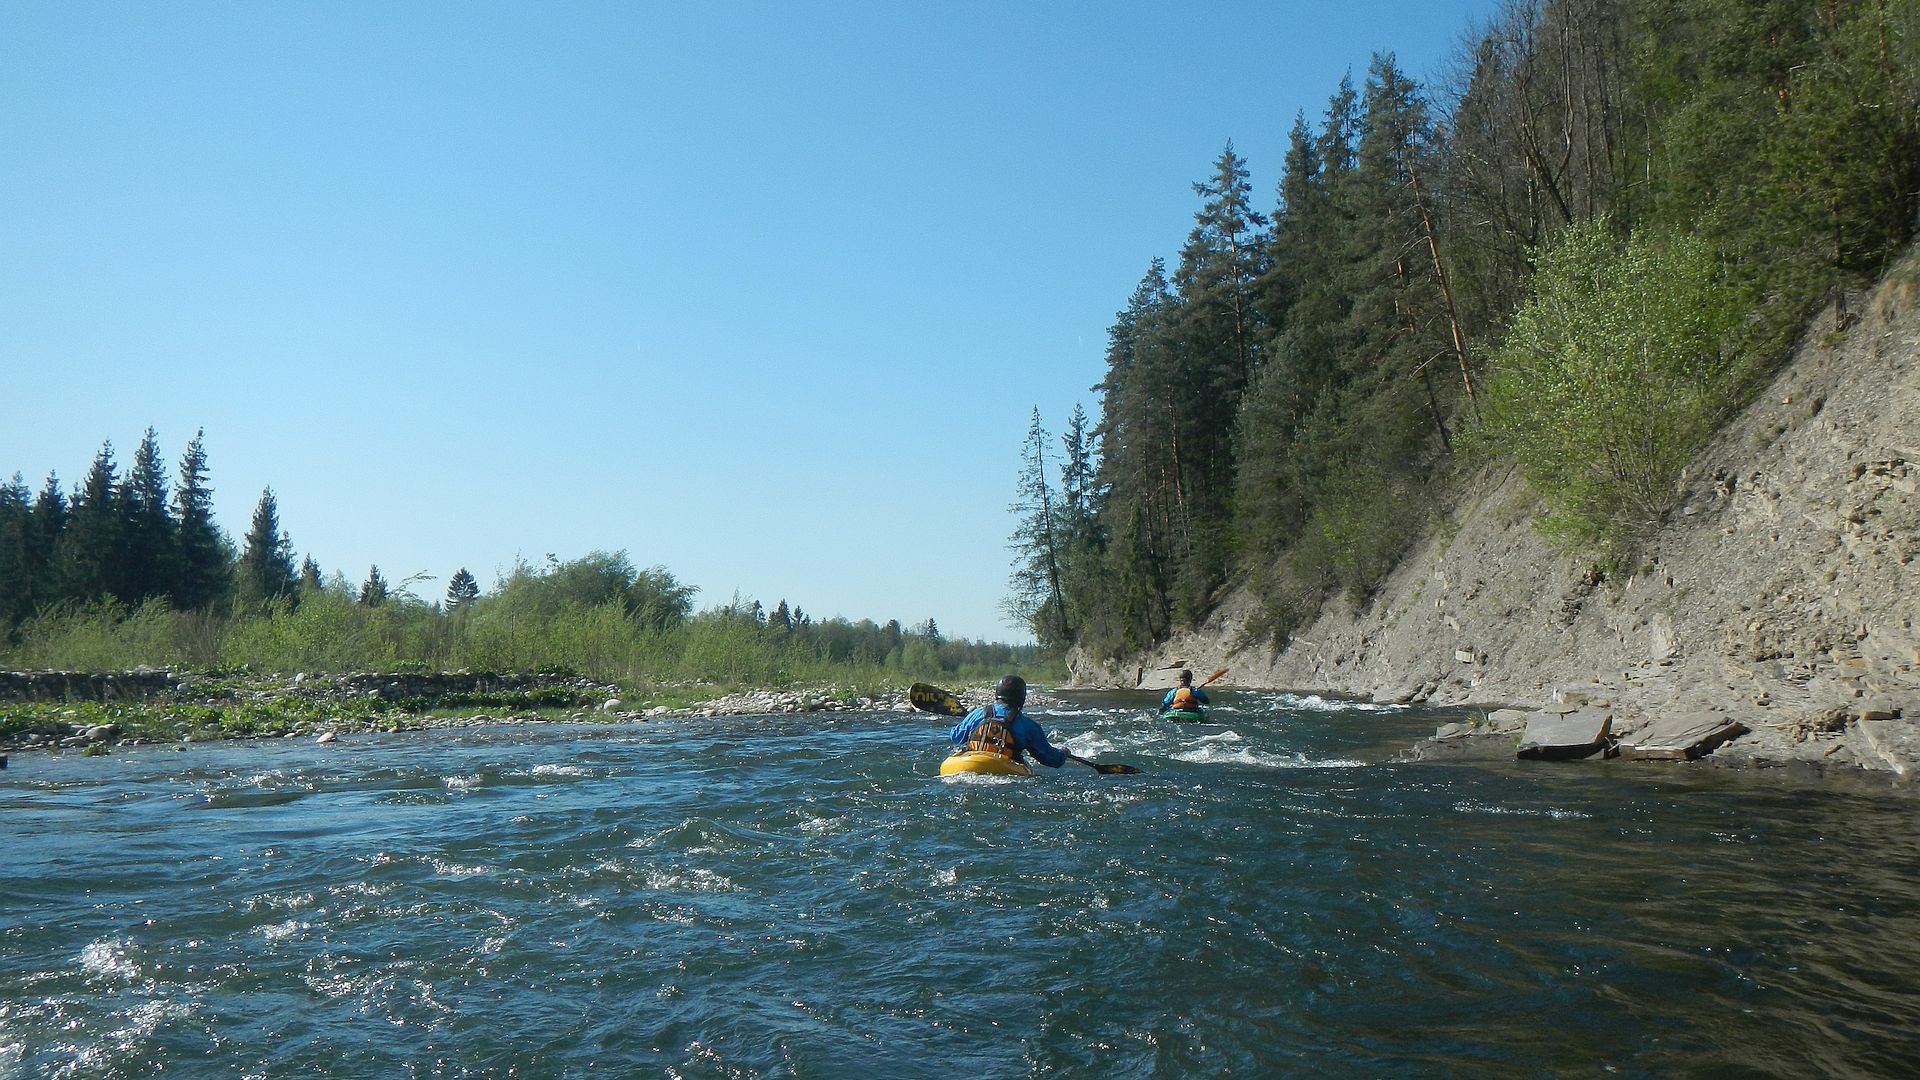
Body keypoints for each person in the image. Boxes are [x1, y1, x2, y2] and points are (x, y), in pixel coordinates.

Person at [948, 674, 1067, 770]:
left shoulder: (977, 714)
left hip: (969, 766)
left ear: (997, 694)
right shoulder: (1028, 726)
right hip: (1004, 772)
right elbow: (1051, 759)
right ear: (1021, 698)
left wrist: (964, 721)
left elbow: (956, 737)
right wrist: (1063, 754)